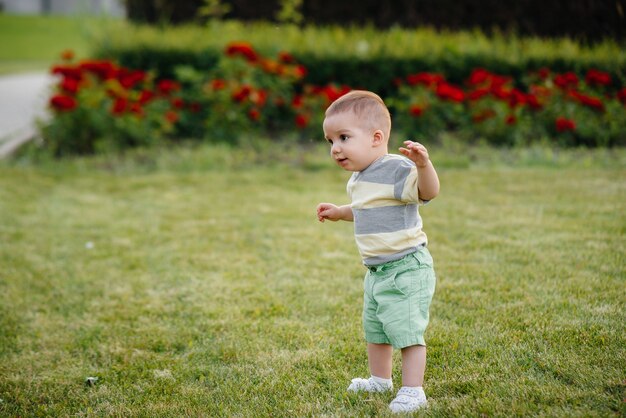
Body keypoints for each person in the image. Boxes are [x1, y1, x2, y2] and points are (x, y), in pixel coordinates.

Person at [316, 90, 440, 413]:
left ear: (376, 138)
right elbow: (365, 209)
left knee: (406, 329)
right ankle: (379, 379)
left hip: (405, 269)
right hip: (377, 272)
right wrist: (340, 211)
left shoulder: (396, 169)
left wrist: (424, 166)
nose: (336, 148)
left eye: (343, 137)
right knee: (377, 328)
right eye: (330, 141)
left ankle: (413, 391)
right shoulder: (359, 178)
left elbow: (428, 192)